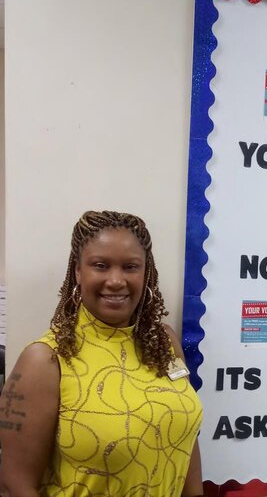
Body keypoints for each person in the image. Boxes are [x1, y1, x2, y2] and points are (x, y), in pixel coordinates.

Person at [0, 211, 203, 497]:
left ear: (146, 272)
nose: (116, 280)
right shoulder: (46, 360)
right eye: (100, 265)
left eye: (131, 267)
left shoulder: (164, 341)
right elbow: (15, 485)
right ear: (78, 271)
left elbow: (185, 436)